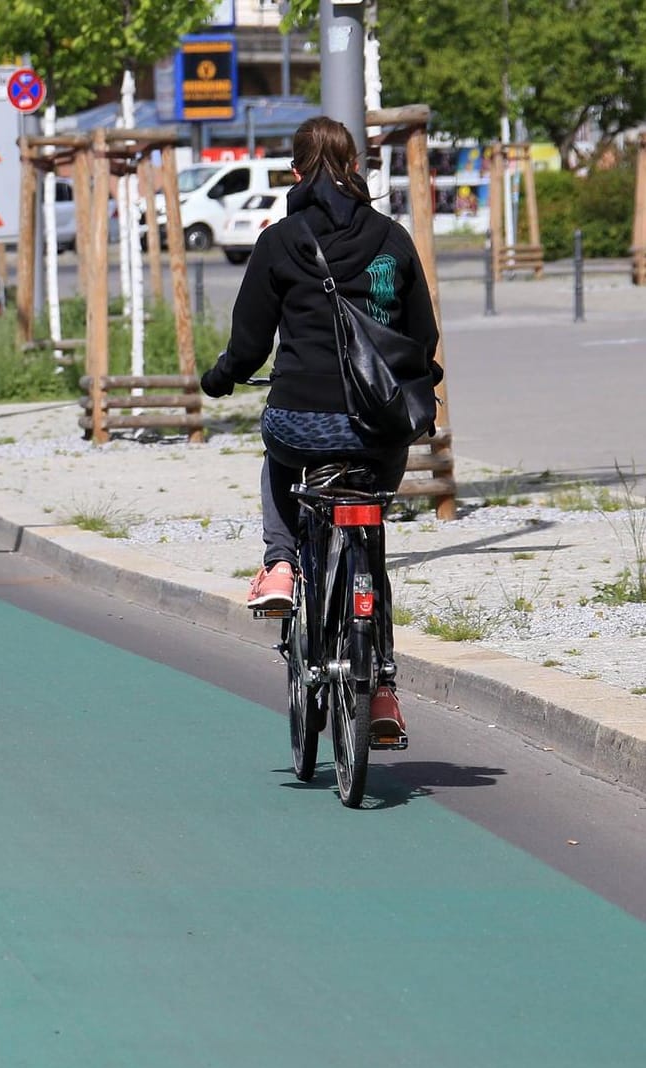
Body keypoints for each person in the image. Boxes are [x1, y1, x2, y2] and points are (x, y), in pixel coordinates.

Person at [200, 115, 442, 742]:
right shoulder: (392, 238)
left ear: (295, 173)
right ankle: (382, 688)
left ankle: (280, 566)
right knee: (372, 535)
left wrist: (223, 376)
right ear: (356, 168)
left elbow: (249, 343)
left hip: (301, 419)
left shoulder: (280, 241)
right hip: (379, 430)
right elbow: (423, 333)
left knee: (278, 456)